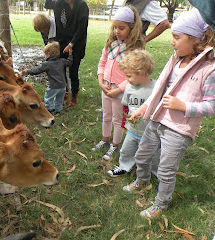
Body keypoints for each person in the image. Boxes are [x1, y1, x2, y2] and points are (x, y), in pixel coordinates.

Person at [123, 9, 215, 218]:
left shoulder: (209, 69)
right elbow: (159, 91)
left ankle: (161, 204)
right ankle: (142, 182)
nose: (172, 42)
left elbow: (212, 104)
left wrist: (184, 106)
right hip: (157, 120)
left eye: (176, 37)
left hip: (179, 129)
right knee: (142, 155)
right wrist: (143, 108)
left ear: (196, 39)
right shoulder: (175, 61)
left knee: (165, 169)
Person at [92, 5, 145, 161]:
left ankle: (115, 145)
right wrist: (101, 82)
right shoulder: (111, 43)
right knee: (106, 116)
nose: (117, 31)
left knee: (117, 119)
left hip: (120, 92)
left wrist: (119, 89)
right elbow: (102, 63)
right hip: (106, 88)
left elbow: (134, 75)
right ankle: (104, 139)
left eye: (121, 28)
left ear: (132, 28)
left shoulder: (135, 48)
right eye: (115, 27)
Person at [107, 49, 160, 177]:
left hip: (150, 132)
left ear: (142, 73)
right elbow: (126, 107)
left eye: (129, 76)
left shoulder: (156, 88)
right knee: (126, 150)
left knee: (153, 154)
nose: (126, 79)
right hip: (132, 129)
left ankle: (155, 172)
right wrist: (124, 124)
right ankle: (124, 166)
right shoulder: (129, 87)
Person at [45, 0, 89, 108]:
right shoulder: (59, 4)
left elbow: (82, 28)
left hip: (77, 43)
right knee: (61, 69)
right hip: (63, 42)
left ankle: (74, 96)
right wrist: (58, 44)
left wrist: (72, 44)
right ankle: (64, 91)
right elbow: (58, 25)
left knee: (73, 71)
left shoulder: (82, 6)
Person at [22, 41, 73, 114]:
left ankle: (50, 109)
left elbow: (37, 71)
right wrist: (70, 55)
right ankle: (58, 110)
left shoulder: (47, 64)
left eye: (45, 54)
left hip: (53, 87)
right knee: (59, 99)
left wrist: (27, 71)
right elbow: (70, 63)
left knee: (48, 98)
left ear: (48, 54)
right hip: (63, 86)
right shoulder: (62, 61)